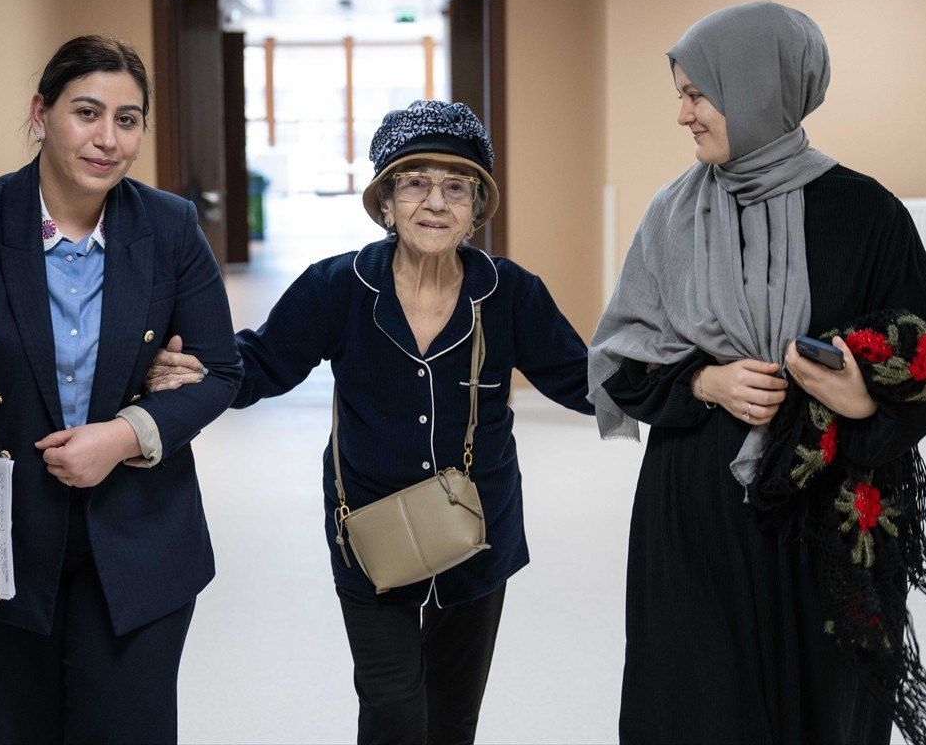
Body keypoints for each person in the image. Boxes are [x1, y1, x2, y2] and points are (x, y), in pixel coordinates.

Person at [149, 100, 593, 744]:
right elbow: (264, 362)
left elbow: (583, 379)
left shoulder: (510, 293)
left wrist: (687, 384)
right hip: (368, 531)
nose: (435, 202)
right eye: (414, 183)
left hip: (479, 532)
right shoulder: (339, 286)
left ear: (476, 208)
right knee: (391, 709)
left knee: (452, 717)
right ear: (386, 202)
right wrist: (198, 371)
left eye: (456, 186)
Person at [588, 2, 926, 744]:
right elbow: (621, 359)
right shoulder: (671, 215)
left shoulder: (869, 214)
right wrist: (703, 383)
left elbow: (925, 369)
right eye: (681, 95)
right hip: (697, 510)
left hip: (825, 510)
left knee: (823, 701)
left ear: (756, 88)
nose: (683, 115)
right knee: (699, 701)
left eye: (698, 94)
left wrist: (858, 399)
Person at [0, 35, 243, 744]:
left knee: (130, 729)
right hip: (5, 532)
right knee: (27, 727)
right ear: (41, 113)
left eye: (128, 120)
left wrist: (126, 434)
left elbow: (220, 371)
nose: (107, 139)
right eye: (86, 112)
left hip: (142, 528)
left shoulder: (169, 226)